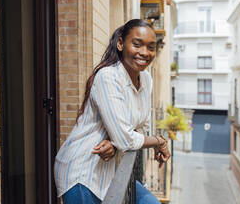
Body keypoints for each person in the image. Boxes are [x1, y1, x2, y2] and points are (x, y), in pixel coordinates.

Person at [54, 19, 171, 204]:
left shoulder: (146, 79)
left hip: (113, 171)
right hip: (83, 171)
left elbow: (140, 128)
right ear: (120, 44)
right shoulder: (108, 77)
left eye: (151, 47)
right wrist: (158, 141)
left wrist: (116, 144)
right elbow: (126, 138)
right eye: (137, 44)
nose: (144, 53)